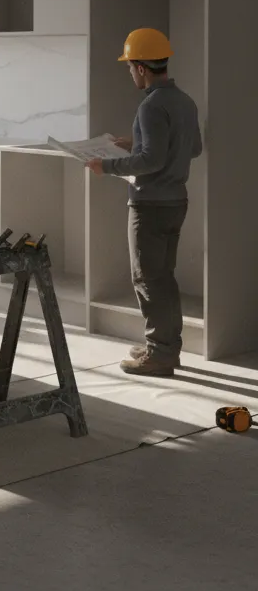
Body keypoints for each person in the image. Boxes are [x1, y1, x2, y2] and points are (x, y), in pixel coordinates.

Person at [86, 27, 203, 377]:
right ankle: (165, 347)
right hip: (175, 202)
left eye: (129, 66)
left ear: (140, 67)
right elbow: (192, 148)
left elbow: (151, 161)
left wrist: (104, 165)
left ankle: (159, 355)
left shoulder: (151, 105)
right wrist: (133, 145)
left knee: (148, 280)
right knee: (163, 278)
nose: (130, 73)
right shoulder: (184, 101)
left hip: (149, 205)